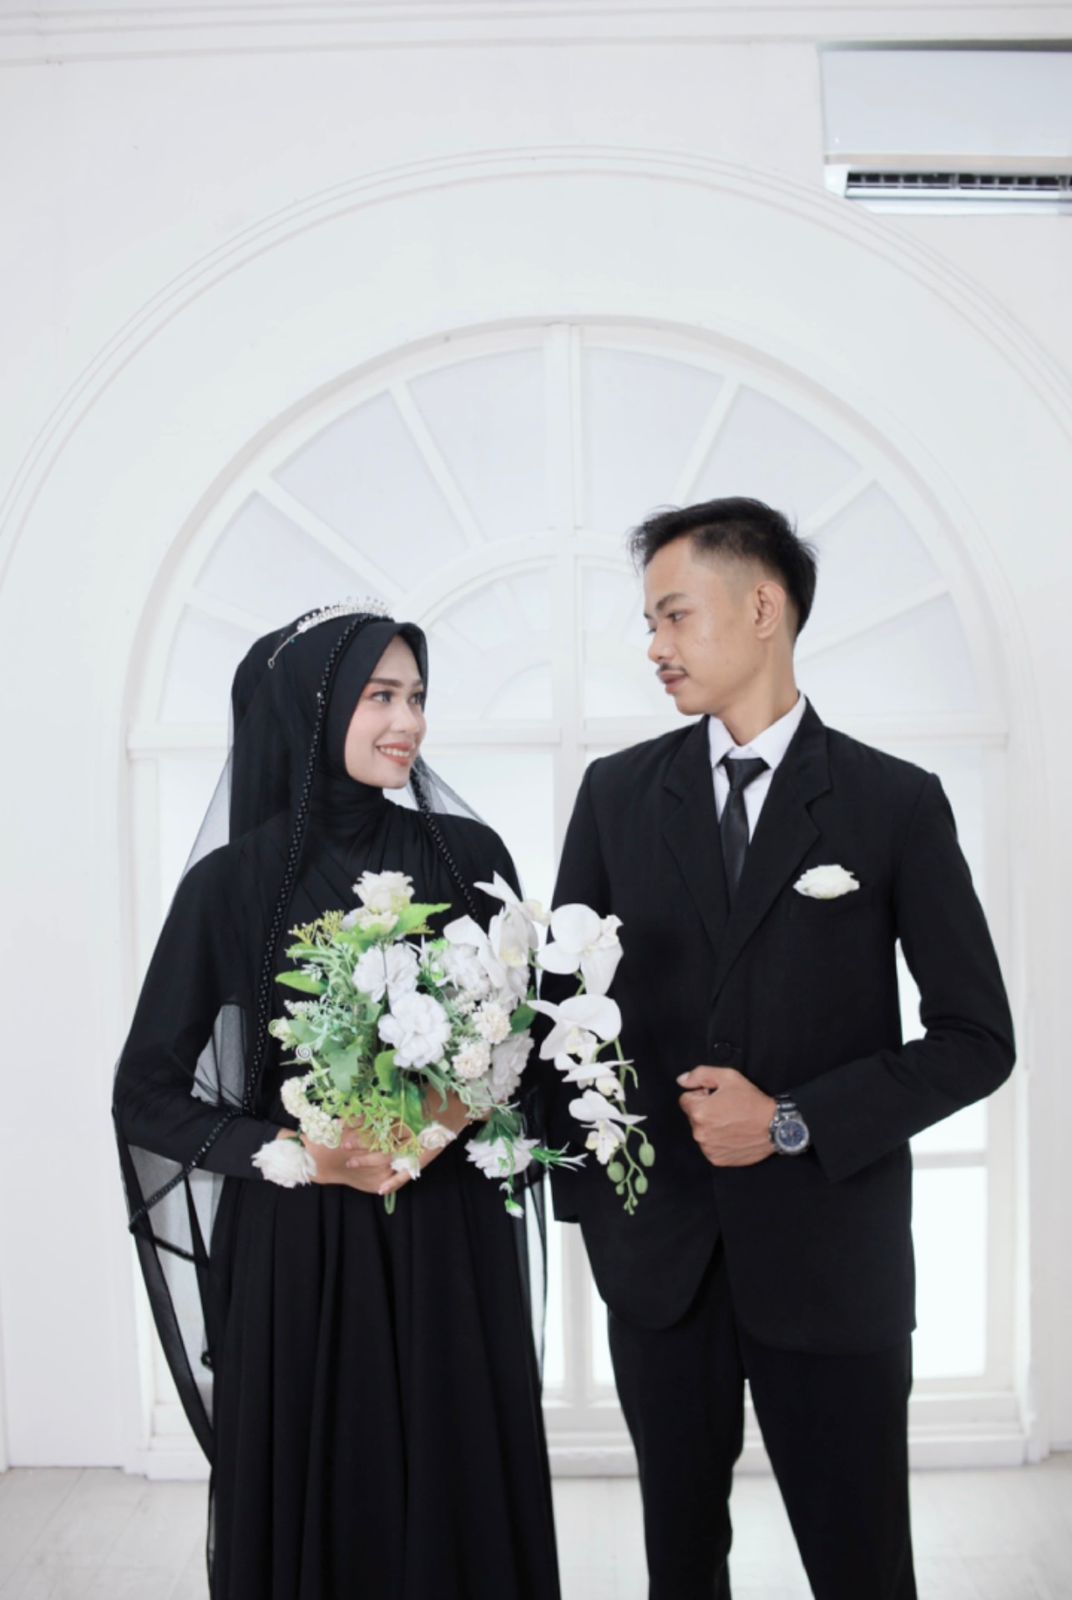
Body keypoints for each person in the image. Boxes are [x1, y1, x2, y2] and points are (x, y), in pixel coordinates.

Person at [541, 498, 1015, 1600]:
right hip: (660, 1267)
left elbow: (975, 1041)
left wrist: (791, 1120)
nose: (654, 646)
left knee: (862, 1570)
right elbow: (564, 1021)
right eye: (648, 622)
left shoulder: (894, 804)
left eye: (674, 615)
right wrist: (594, 1207)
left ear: (763, 608)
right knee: (679, 1570)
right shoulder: (616, 796)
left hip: (831, 1262)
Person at [114, 606, 560, 1600]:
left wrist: (444, 1117)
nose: (409, 722)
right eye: (379, 695)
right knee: (332, 1494)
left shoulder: (469, 856)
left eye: (417, 697)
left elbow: (522, 1042)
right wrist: (303, 1152)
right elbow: (143, 1093)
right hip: (304, 1251)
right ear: (311, 708)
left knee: (457, 1491)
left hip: (449, 1237)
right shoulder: (232, 886)